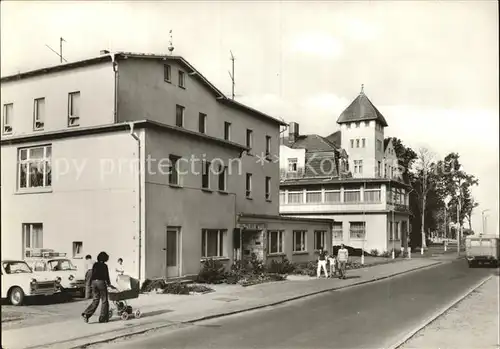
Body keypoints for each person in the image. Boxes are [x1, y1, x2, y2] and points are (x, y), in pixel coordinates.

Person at [82, 251, 112, 323]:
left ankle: (87, 313)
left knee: (95, 300)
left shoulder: (95, 264)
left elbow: (93, 274)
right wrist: (109, 284)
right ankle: (103, 318)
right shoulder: (104, 266)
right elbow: (106, 276)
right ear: (105, 258)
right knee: (104, 300)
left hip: (94, 282)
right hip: (101, 282)